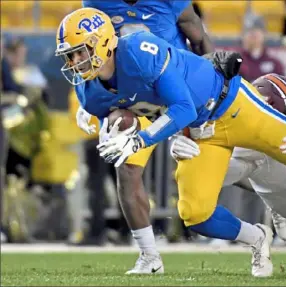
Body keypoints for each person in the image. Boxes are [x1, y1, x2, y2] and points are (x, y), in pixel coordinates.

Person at [55, 8, 286, 277]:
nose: (76, 62)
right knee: (195, 213)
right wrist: (116, 129)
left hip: (232, 105)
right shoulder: (89, 93)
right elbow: (137, 113)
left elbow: (182, 106)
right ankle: (258, 237)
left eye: (81, 52)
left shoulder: (140, 52)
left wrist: (140, 140)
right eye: (71, 56)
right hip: (200, 132)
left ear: (104, 42)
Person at [75, 0, 213, 273]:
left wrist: (212, 90)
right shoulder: (95, 3)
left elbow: (199, 39)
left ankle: (272, 191)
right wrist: (88, 96)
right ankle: (149, 256)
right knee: (125, 166)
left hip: (176, 94)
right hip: (131, 100)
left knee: (223, 158)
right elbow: (85, 51)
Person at [171, 73, 286, 280]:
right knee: (199, 207)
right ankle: (267, 218)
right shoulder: (248, 145)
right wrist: (186, 151)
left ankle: (277, 204)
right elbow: (211, 178)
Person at [239, 15, 285, 82]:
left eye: (256, 30)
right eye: (249, 31)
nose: (253, 33)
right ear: (242, 36)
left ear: (264, 34)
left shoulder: (275, 64)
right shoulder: (235, 64)